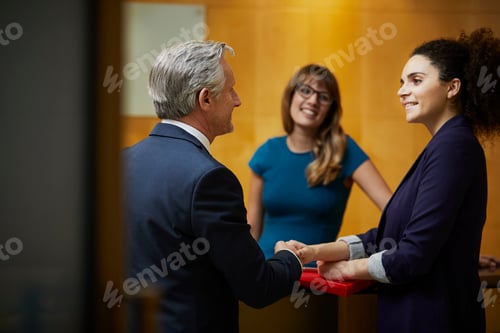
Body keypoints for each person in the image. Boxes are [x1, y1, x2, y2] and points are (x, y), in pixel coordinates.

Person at [291, 27, 500, 333]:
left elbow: (411, 255)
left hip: (432, 318)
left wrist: (346, 270)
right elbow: (388, 236)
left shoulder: (454, 146)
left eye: (416, 80)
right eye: (402, 82)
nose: (402, 90)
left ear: (452, 87)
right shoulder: (444, 144)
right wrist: (315, 252)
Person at [122, 40, 304, 333]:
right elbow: (258, 287)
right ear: (205, 99)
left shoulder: (120, 163)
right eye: (231, 89)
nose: (237, 100)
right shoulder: (210, 179)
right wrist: (290, 259)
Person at [247, 64, 392, 261]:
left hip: (316, 280)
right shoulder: (267, 152)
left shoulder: (345, 150)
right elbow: (252, 231)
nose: (313, 100)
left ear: (331, 109)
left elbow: (394, 210)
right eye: (305, 91)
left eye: (323, 97)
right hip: (266, 274)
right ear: (291, 95)